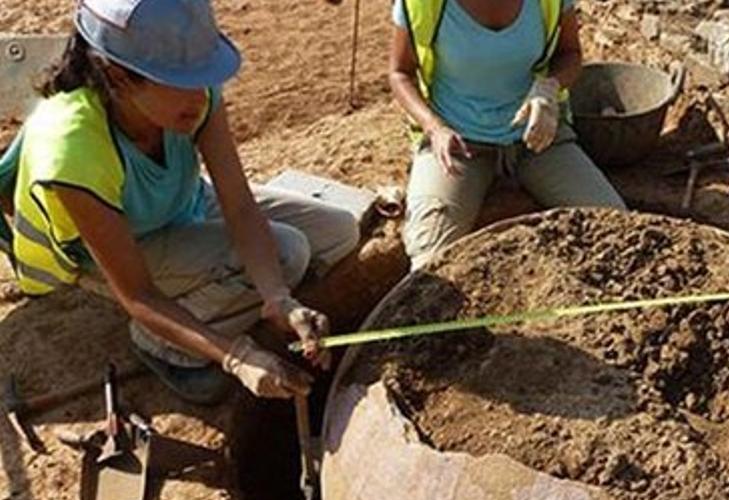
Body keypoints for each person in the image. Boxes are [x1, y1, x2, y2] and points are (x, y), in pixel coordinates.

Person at [0, 0, 359, 404]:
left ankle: (242, 303)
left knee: (338, 231)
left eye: (202, 76)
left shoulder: (193, 97)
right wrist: (235, 357)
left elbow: (239, 205)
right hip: (108, 251)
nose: (200, 92)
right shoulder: (72, 147)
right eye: (181, 80)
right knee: (290, 251)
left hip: (179, 204)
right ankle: (160, 344)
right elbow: (138, 296)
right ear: (118, 77)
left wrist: (279, 300)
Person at [389, 0, 627, 270]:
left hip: (537, 135)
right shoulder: (421, 5)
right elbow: (400, 73)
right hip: (457, 144)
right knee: (428, 262)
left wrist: (548, 88)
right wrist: (434, 127)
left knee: (618, 227)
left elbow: (570, 54)